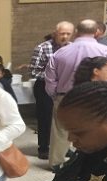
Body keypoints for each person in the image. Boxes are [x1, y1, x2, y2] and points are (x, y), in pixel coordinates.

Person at [46, 19, 107, 171]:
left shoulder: (60, 52)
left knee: (60, 129)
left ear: (76, 32)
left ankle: (56, 162)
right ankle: (88, 160)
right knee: (92, 127)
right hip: (96, 97)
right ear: (97, 32)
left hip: (66, 96)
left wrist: (55, 95)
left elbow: (50, 79)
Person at [29, 21, 74, 160]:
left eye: (68, 34)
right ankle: (44, 147)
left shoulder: (73, 48)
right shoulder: (43, 48)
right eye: (62, 33)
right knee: (46, 118)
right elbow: (33, 71)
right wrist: (53, 78)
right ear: (55, 33)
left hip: (66, 88)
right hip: (44, 87)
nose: (65, 36)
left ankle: (63, 147)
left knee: (65, 119)